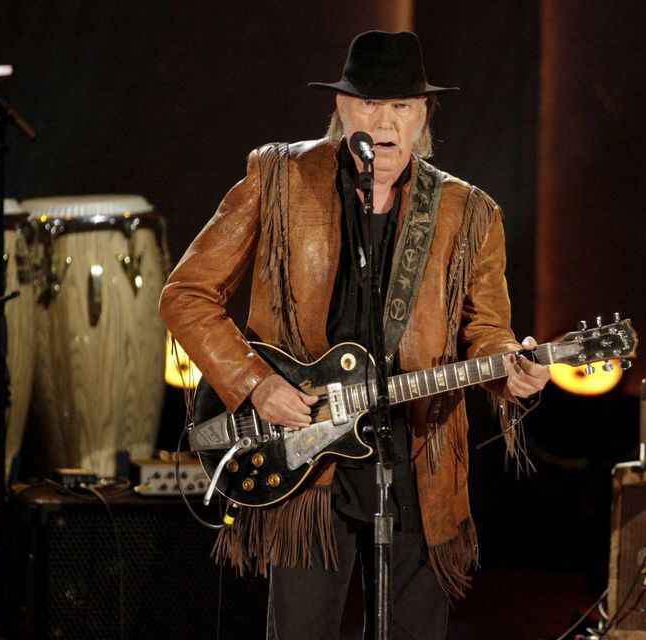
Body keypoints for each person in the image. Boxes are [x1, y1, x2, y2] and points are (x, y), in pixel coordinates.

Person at [160, 30, 550, 639]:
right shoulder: (279, 179)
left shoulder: (469, 212)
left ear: (423, 115)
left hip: (417, 459)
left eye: (402, 106)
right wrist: (256, 384)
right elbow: (186, 294)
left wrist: (514, 370)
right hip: (305, 461)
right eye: (369, 103)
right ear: (342, 107)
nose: (385, 122)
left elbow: (488, 332)